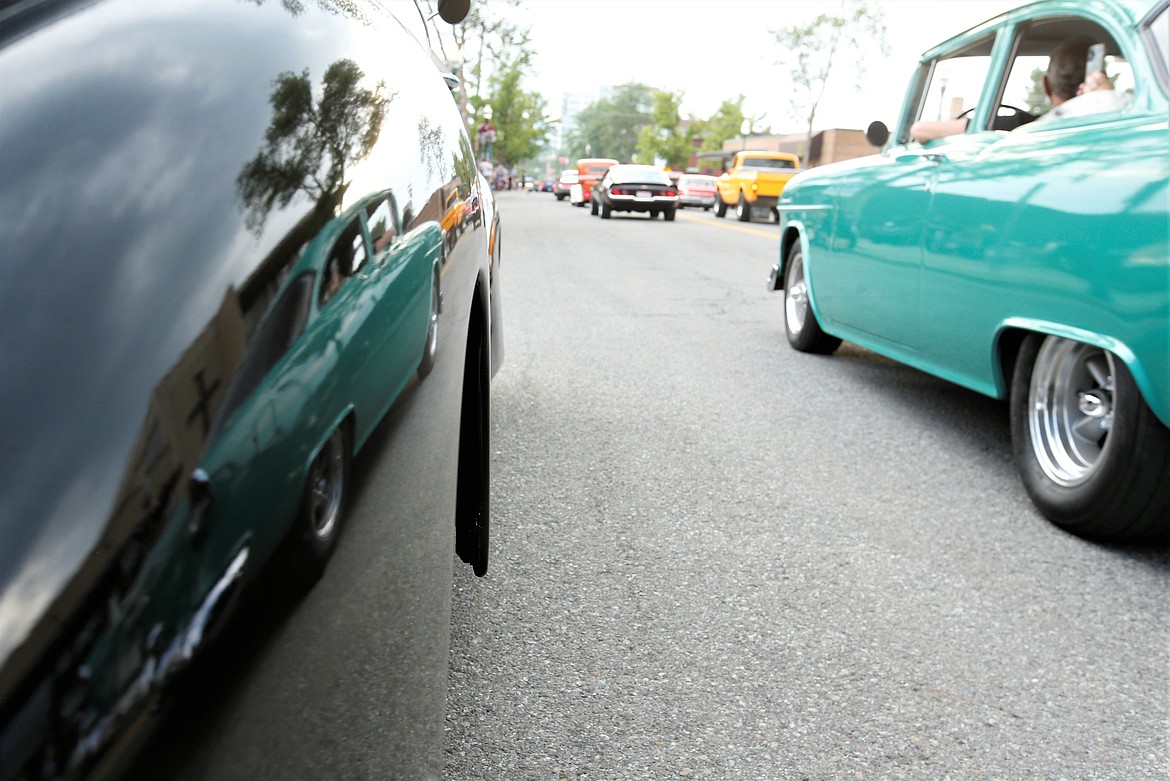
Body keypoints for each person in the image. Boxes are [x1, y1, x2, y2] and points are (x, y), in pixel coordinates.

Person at [910, 36, 1121, 142]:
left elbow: (919, 130)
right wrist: (1106, 100)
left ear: (1046, 85)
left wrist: (1002, 137)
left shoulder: (1017, 126)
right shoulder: (1118, 123)